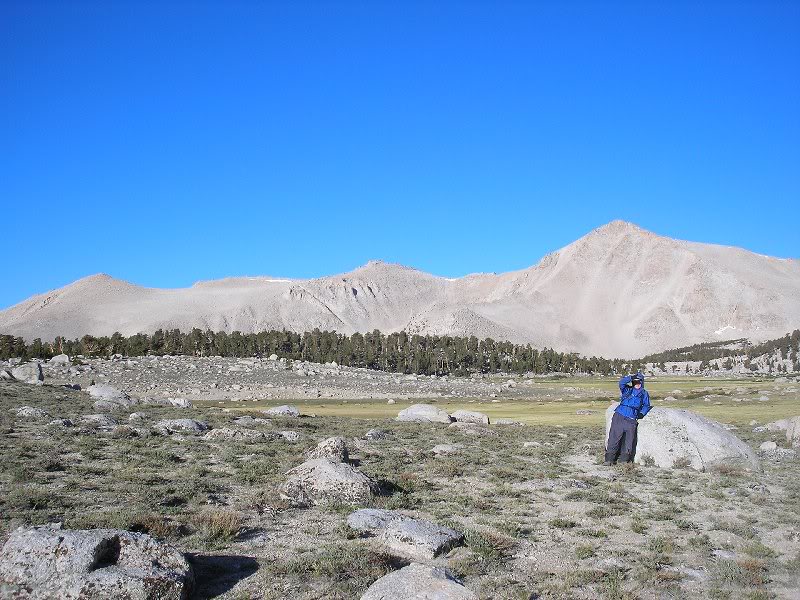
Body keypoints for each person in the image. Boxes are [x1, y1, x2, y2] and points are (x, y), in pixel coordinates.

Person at [605, 372, 651, 465]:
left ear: (642, 382)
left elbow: (646, 405)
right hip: (619, 416)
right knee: (614, 438)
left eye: (639, 381)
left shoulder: (644, 393)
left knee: (628, 441)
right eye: (635, 382)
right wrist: (631, 377)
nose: (637, 384)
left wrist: (642, 413)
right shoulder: (627, 390)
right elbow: (621, 382)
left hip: (631, 419)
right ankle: (609, 460)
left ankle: (624, 461)